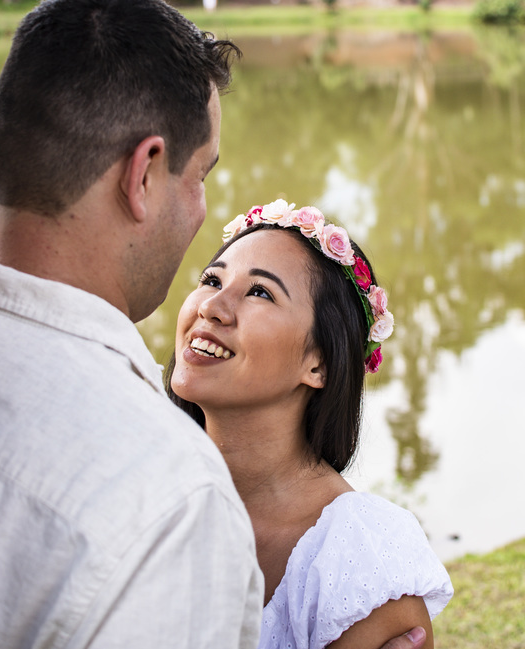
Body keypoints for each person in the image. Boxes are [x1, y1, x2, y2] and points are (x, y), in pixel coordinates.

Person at [0, 0, 430, 649]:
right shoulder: (171, 495)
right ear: (144, 174)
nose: (200, 218)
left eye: (260, 291)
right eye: (199, 177)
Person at [166, 200, 454, 649]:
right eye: (212, 280)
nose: (213, 307)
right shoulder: (135, 485)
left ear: (319, 364)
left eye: (260, 292)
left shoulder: (356, 561)